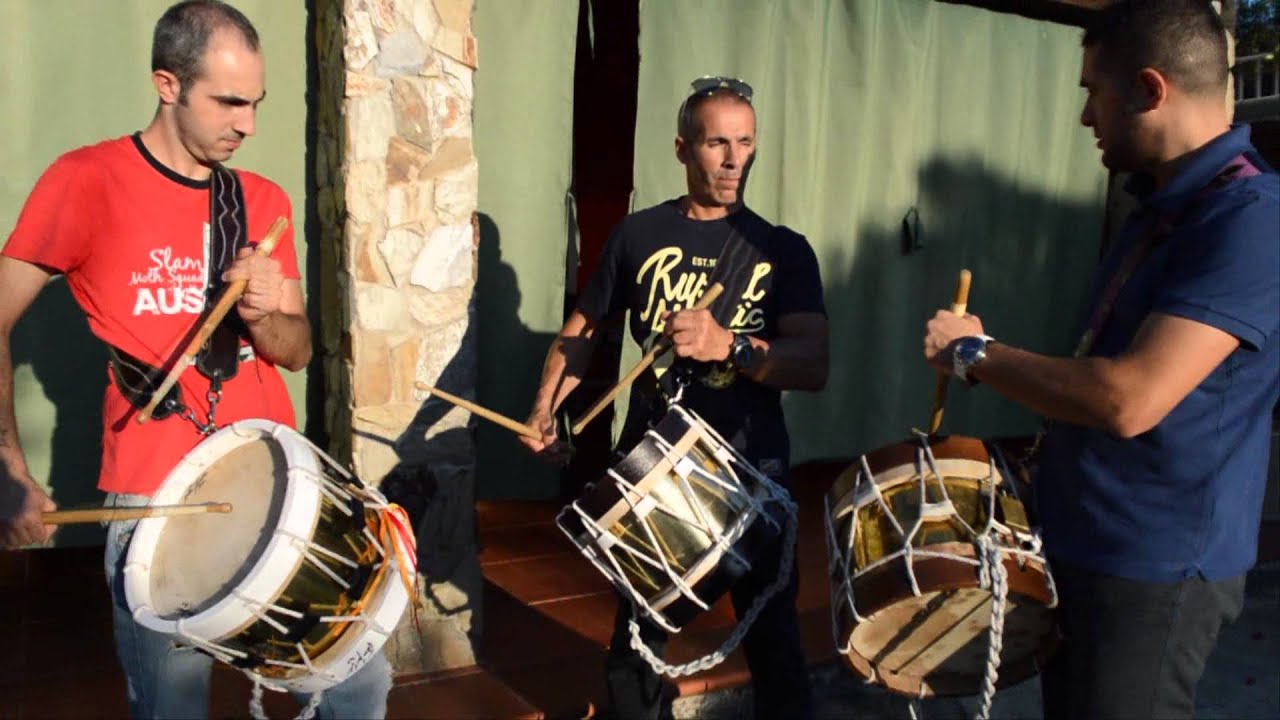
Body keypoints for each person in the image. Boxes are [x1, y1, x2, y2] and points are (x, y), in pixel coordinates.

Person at [0, 2, 392, 717]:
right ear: (168, 84)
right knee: (172, 706)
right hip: (155, 499)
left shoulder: (260, 199)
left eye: (256, 104)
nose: (247, 123)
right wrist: (9, 468)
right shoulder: (85, 180)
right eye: (229, 101)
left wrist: (268, 311)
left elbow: (297, 352)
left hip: (273, 488)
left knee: (355, 680)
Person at [921, 2, 1279, 718]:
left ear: (1149, 90)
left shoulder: (1251, 220)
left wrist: (975, 354)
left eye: (1093, 91)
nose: (1086, 117)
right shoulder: (1159, 208)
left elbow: (1128, 398)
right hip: (1092, 548)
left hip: (1153, 570)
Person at [521, 76, 829, 719]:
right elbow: (582, 334)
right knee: (636, 648)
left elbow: (812, 363)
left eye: (745, 142)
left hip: (752, 472)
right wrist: (547, 408)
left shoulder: (781, 249)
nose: (734, 158)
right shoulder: (638, 235)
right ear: (683, 148)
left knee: (775, 645)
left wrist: (731, 346)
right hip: (655, 470)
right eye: (717, 142)